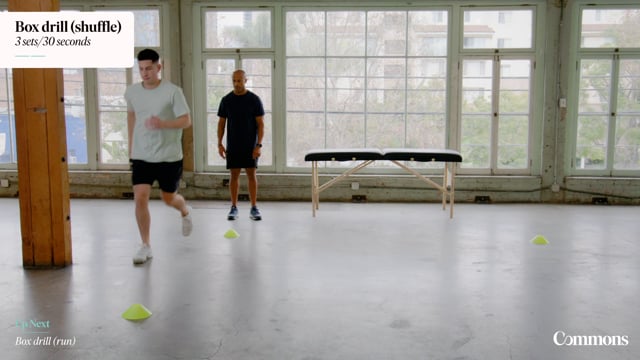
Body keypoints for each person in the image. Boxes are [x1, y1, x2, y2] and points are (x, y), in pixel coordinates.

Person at [125, 48, 193, 265]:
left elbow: (186, 121)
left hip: (168, 155)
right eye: (141, 69)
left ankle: (184, 210)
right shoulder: (132, 92)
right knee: (140, 197)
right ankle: (145, 245)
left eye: (149, 69)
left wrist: (163, 124)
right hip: (142, 155)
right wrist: (131, 148)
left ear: (159, 67)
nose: (145, 73)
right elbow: (132, 116)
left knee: (168, 198)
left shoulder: (173, 91)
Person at [217, 69, 265, 221]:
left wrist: (258, 145)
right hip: (233, 145)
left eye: (239, 80)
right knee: (234, 175)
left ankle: (254, 207)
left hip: (250, 146)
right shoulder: (226, 100)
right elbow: (221, 124)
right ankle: (233, 207)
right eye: (234, 81)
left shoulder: (254, 100)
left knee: (251, 175)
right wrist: (219, 143)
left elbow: (261, 125)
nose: (237, 83)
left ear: (246, 80)